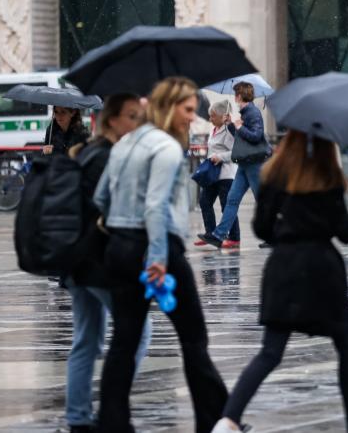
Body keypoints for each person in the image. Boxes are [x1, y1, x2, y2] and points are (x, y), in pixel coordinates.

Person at [211, 130, 348, 433]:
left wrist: (287, 234)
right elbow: (346, 234)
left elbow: (261, 228)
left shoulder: (275, 176)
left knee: (270, 353)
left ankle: (228, 420)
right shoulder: (328, 178)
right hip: (323, 270)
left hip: (283, 267)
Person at [95, 77, 227, 432]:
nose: (192, 118)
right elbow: (155, 206)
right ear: (169, 108)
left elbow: (101, 199)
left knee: (124, 339)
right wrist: (156, 258)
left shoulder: (124, 143)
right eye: (187, 110)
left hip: (119, 246)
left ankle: (112, 423)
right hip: (158, 247)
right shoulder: (167, 149)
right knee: (194, 338)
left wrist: (120, 230)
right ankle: (215, 419)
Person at [63, 93, 152, 433]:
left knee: (86, 340)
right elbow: (115, 212)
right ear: (112, 120)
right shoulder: (108, 158)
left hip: (76, 261)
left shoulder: (86, 153)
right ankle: (111, 409)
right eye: (131, 116)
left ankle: (78, 418)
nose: (136, 123)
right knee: (138, 331)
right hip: (100, 261)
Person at [202, 82, 269, 248]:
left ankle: (274, 235)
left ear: (239, 96)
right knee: (232, 200)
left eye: (235, 95)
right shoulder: (246, 113)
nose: (234, 98)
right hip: (245, 163)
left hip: (253, 163)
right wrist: (232, 124)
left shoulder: (252, 112)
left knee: (262, 199)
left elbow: (256, 136)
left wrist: (239, 126)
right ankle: (219, 235)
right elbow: (242, 139)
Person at [195, 100, 239, 248]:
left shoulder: (228, 131)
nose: (210, 119)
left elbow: (236, 152)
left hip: (226, 175)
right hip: (212, 174)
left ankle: (234, 237)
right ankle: (211, 233)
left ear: (222, 116)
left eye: (213, 116)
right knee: (204, 201)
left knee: (226, 205)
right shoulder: (213, 130)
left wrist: (220, 157)